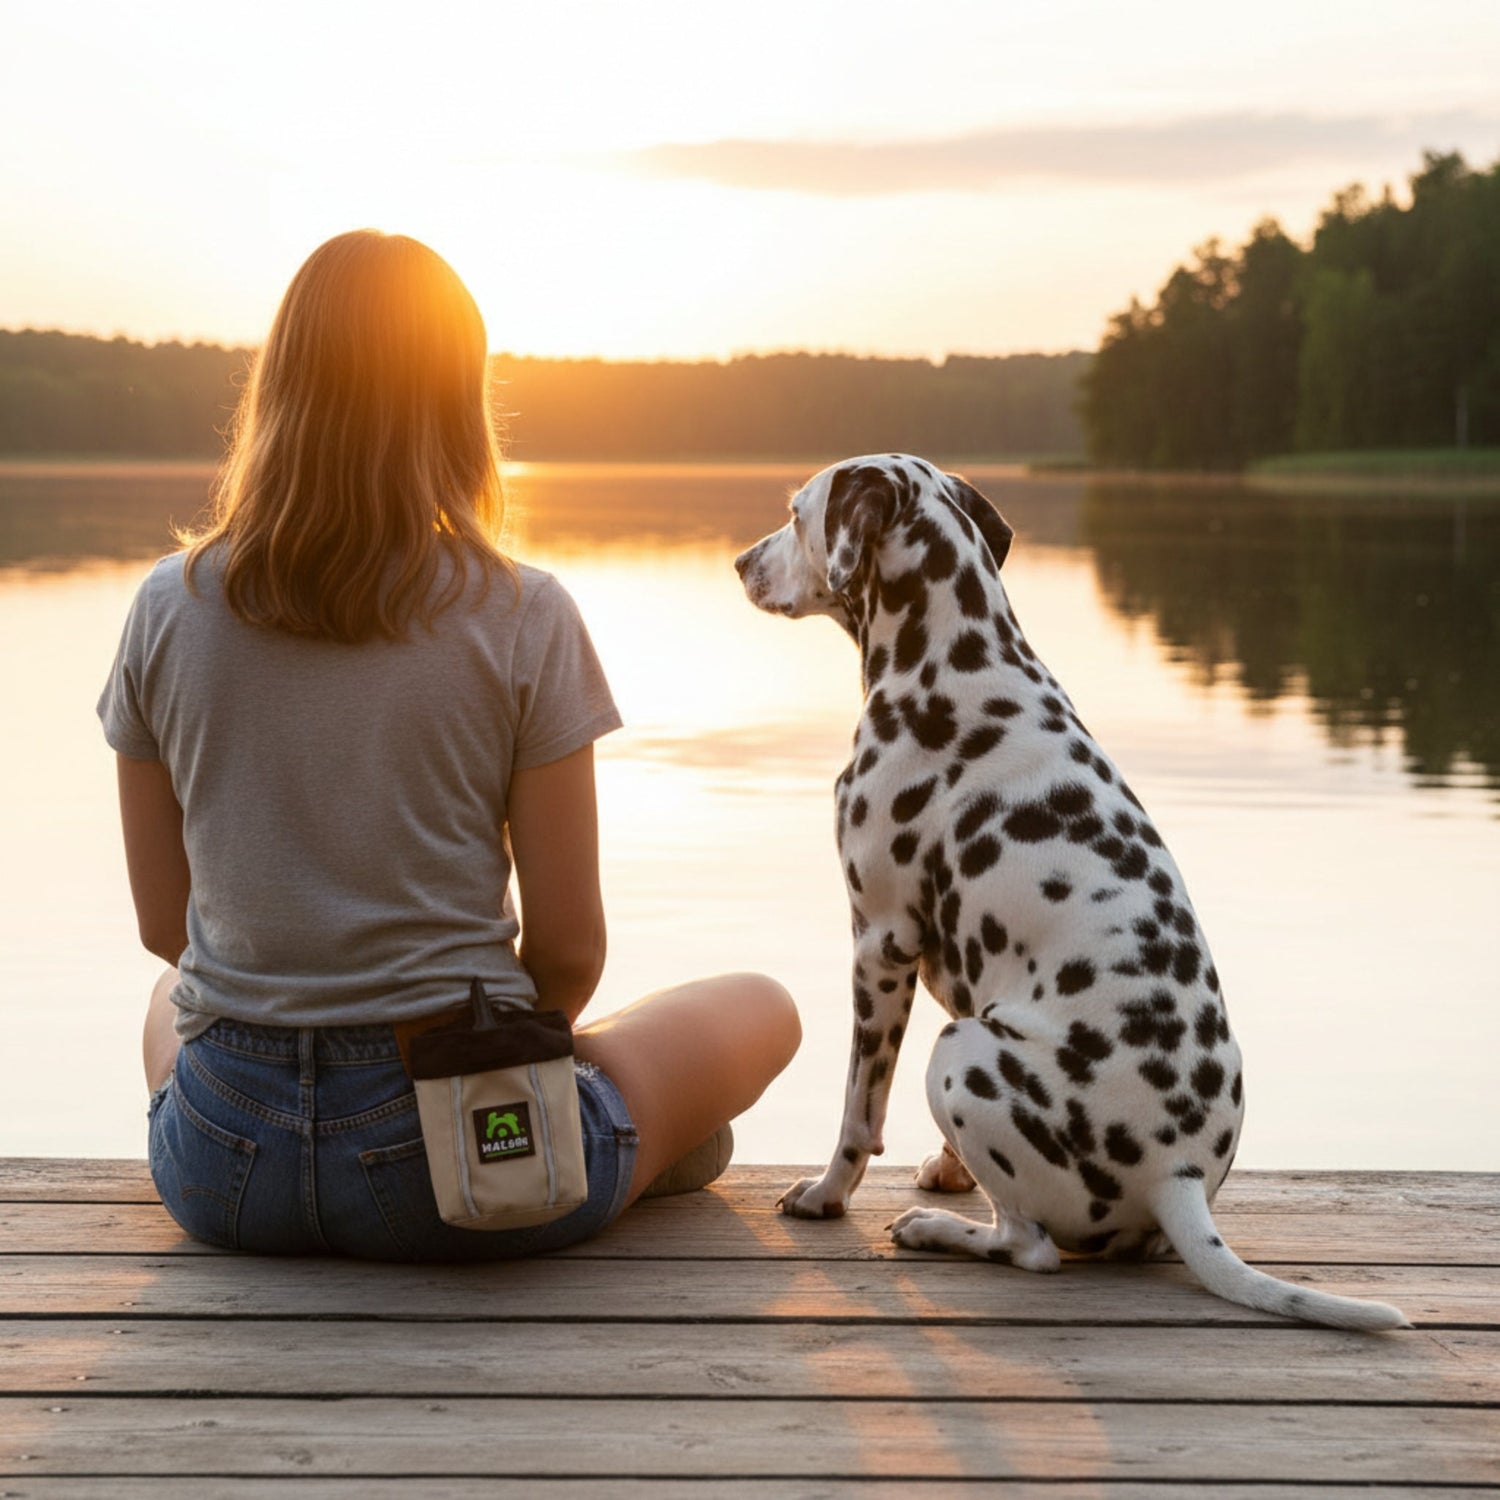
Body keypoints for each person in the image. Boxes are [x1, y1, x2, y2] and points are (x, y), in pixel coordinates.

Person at [98, 229, 800, 1258]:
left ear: (279, 389)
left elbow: (170, 924)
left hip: (223, 1168)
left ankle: (610, 1120)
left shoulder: (168, 606)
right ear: (457, 401)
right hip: (460, 1168)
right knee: (765, 1009)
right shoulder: (523, 613)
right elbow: (566, 951)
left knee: (173, 996)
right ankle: (610, 1125)